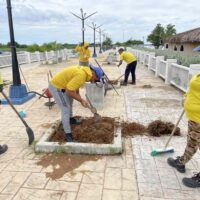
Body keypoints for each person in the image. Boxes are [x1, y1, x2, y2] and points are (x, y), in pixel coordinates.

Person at [48, 65, 103, 142]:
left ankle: (70, 120)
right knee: (65, 108)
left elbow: (75, 88)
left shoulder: (84, 72)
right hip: (57, 87)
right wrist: (81, 100)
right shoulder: (82, 75)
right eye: (96, 79)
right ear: (93, 73)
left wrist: (80, 99)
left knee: (70, 101)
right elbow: (69, 91)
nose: (93, 81)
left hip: (64, 86)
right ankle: (67, 134)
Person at [167, 72, 200, 188]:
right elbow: (193, 90)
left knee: (195, 142)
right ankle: (182, 162)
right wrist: (186, 98)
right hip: (194, 118)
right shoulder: (198, 74)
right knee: (192, 142)